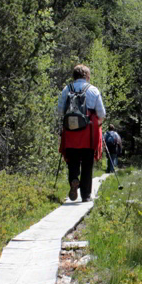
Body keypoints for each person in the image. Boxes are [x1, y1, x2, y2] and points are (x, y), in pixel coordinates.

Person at [57, 64, 106, 202]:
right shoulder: (93, 90)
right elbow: (102, 113)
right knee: (87, 163)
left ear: (74, 76)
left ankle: (73, 179)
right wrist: (99, 123)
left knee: (72, 160)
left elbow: (60, 111)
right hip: (88, 132)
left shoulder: (67, 89)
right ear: (87, 76)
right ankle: (85, 195)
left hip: (71, 132)